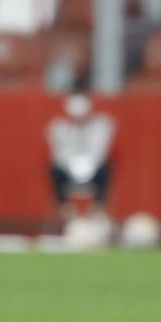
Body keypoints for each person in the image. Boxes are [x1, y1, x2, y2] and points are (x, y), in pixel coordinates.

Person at [47, 91, 113, 225]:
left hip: (93, 168)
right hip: (68, 170)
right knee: (53, 170)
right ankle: (65, 208)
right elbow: (59, 154)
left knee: (106, 168)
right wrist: (73, 164)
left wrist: (87, 164)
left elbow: (100, 150)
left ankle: (97, 208)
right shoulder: (58, 127)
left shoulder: (101, 125)